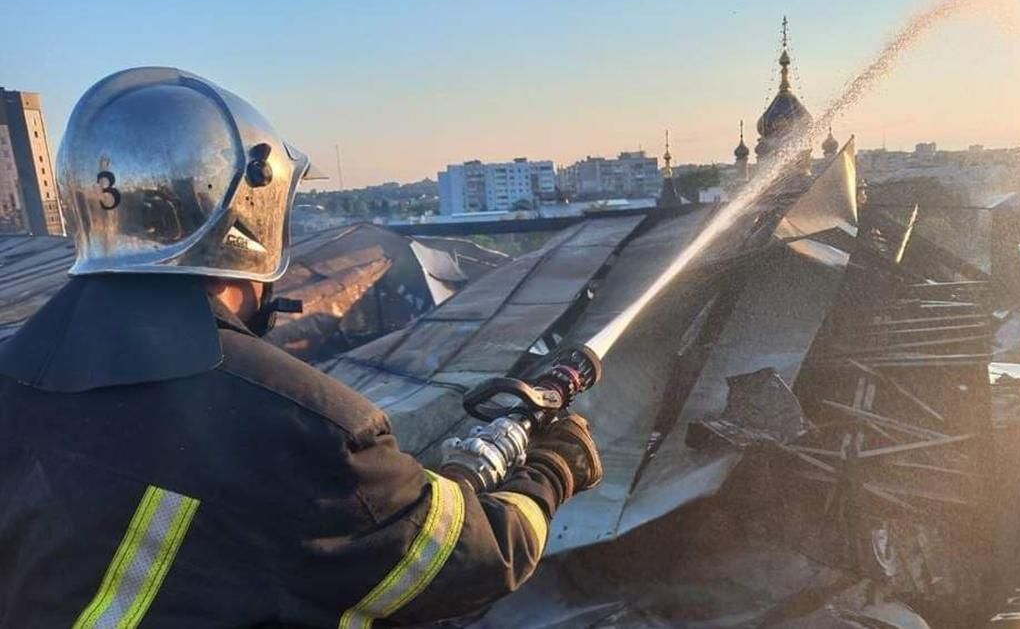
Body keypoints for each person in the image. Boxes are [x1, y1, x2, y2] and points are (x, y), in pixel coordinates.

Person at [0, 67, 602, 628]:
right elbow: (471, 562)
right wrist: (552, 469)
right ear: (249, 217)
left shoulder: (15, 369)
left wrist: (400, 499)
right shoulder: (304, 428)